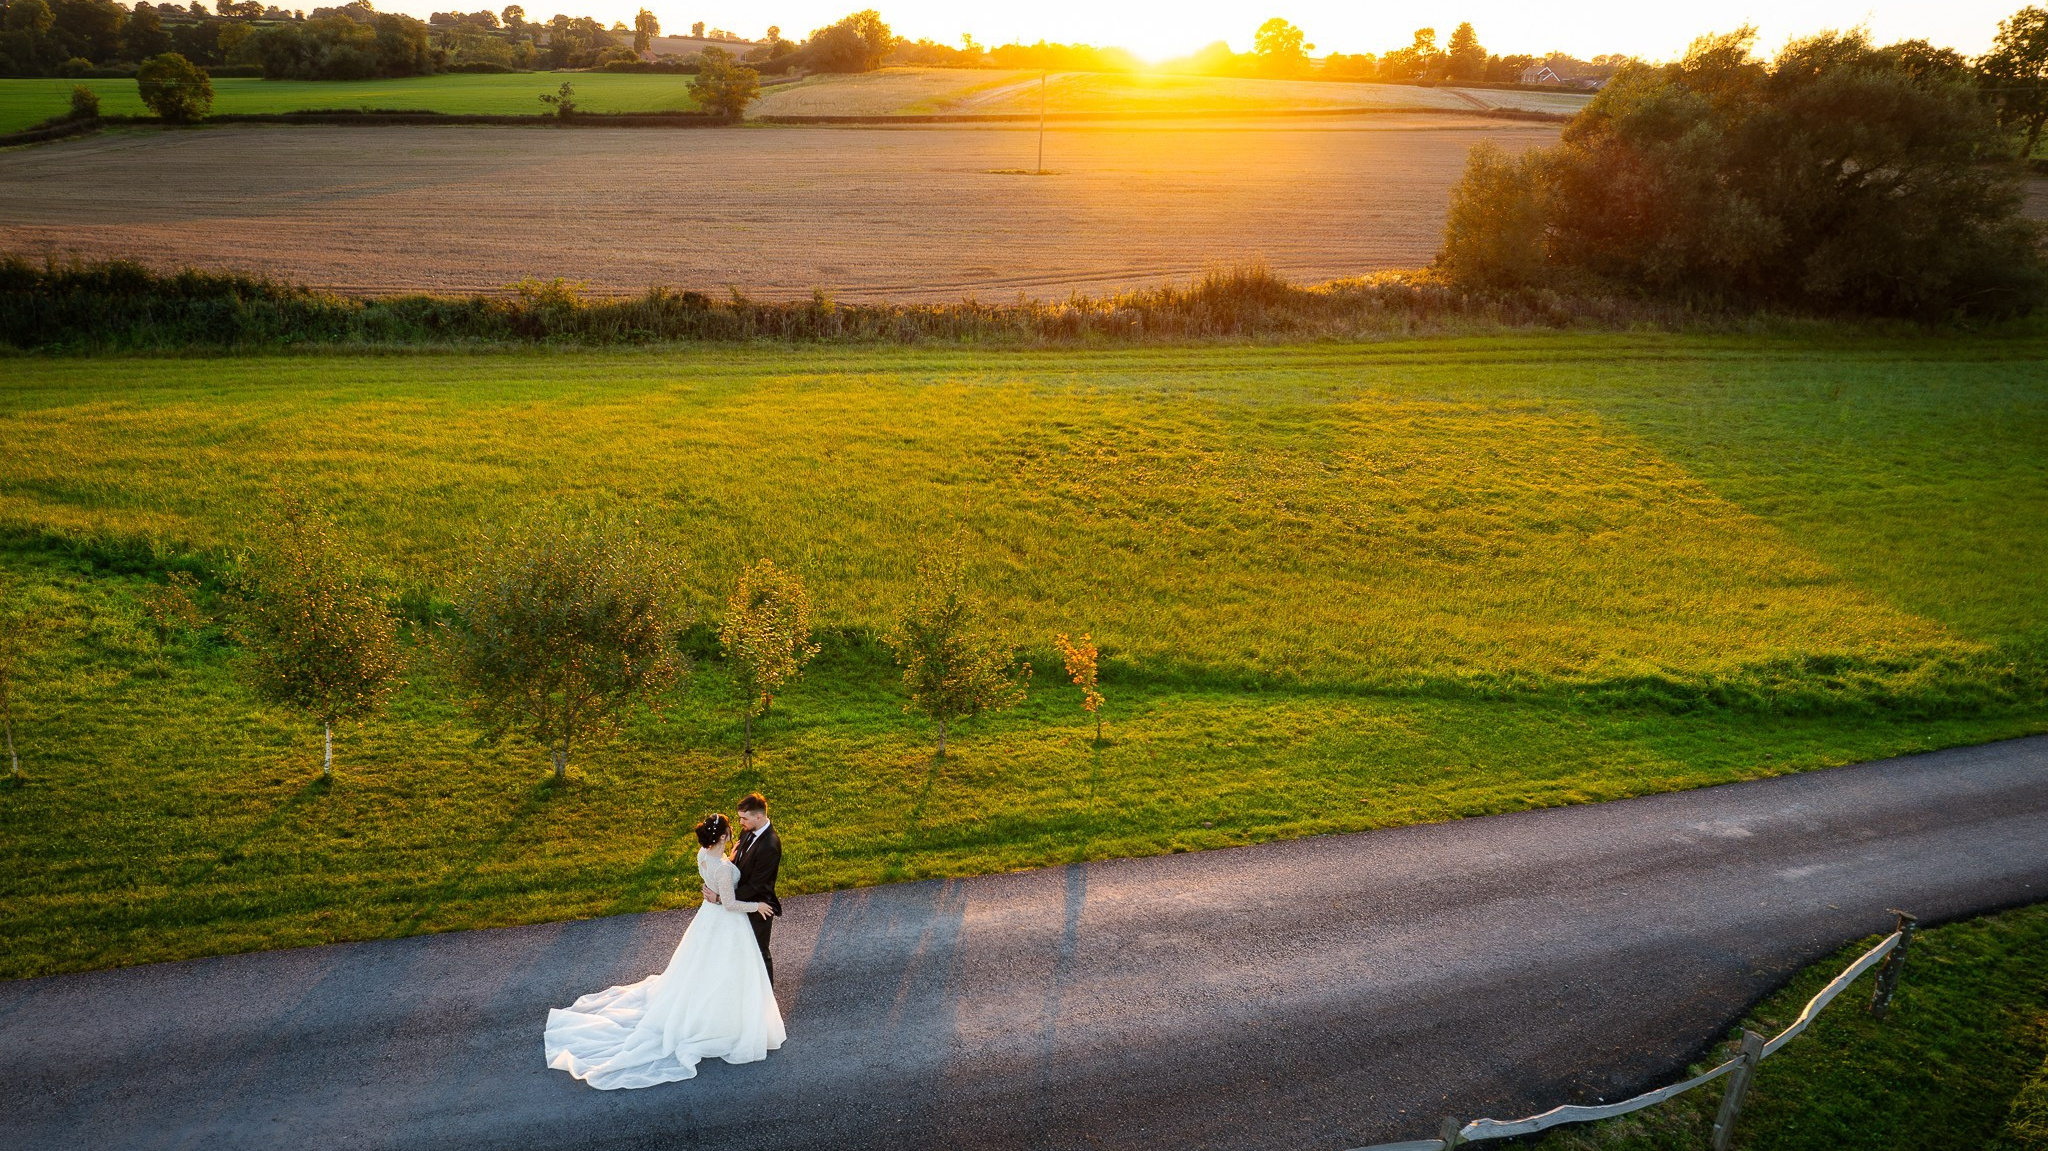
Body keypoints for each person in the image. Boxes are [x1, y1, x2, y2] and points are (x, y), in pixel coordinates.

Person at [543, 812, 785, 1089]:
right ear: (721, 836)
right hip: (726, 921)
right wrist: (757, 906)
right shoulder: (722, 867)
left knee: (703, 967)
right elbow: (729, 904)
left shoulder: (703, 855)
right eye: (731, 827)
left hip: (707, 919)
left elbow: (713, 885)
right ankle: (725, 1018)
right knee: (725, 968)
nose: (735, 830)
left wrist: (716, 885)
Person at [704, 793, 782, 982]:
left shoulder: (770, 845)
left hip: (758, 907)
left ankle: (766, 998)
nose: (740, 822)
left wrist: (722, 898)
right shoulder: (747, 830)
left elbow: (756, 885)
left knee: (759, 952)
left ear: (759, 816)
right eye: (739, 817)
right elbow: (739, 863)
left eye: (744, 818)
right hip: (739, 902)